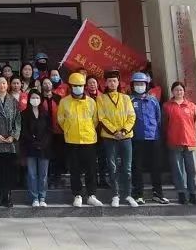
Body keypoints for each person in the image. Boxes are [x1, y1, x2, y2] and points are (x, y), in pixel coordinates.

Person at [57, 72, 102, 207]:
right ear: (71, 87)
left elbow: (95, 120)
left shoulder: (91, 102)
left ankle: (91, 195)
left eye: (80, 86)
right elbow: (61, 120)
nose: (78, 88)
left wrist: (87, 130)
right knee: (74, 170)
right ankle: (77, 195)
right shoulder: (64, 102)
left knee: (91, 170)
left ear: (84, 86)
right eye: (75, 86)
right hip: (72, 140)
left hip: (89, 140)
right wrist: (69, 129)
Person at [97, 69, 137, 208]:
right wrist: (114, 132)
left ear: (118, 82)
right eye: (109, 81)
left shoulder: (125, 98)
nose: (112, 83)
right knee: (112, 167)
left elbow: (132, 116)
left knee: (127, 168)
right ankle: (115, 195)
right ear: (106, 83)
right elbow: (102, 118)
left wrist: (124, 130)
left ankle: (128, 194)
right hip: (110, 137)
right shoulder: (101, 98)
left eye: (114, 81)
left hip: (126, 137)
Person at [130, 72, 169, 205]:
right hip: (137, 138)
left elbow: (158, 118)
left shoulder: (153, 100)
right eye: (136, 84)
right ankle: (138, 194)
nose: (139, 86)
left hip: (154, 137)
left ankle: (158, 193)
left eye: (142, 84)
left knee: (156, 166)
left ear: (146, 85)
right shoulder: (130, 100)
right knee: (137, 167)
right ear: (132, 85)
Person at [0, 75, 21, 208]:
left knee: (9, 170)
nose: (2, 85)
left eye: (4, 83)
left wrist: (13, 136)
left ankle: (8, 196)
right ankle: (1, 195)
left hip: (10, 141)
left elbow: (18, 121)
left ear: (7, 85)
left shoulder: (14, 101)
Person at [164, 81, 196, 205]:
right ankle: (181, 194)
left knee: (191, 170)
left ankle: (193, 194)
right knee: (178, 170)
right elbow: (164, 124)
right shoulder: (167, 106)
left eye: (181, 90)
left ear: (184, 91)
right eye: (176, 90)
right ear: (172, 91)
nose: (179, 92)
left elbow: (194, 123)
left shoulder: (191, 106)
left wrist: (190, 134)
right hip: (174, 141)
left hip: (189, 142)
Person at [21, 89, 52, 207]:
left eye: (37, 98)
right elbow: (24, 131)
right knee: (32, 174)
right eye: (33, 98)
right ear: (29, 99)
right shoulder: (24, 114)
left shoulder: (45, 113)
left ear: (41, 99)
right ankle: (34, 198)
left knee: (43, 174)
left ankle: (42, 197)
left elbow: (49, 131)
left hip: (44, 148)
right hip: (30, 147)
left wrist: (43, 143)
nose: (35, 100)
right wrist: (33, 141)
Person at [40, 77, 65, 188]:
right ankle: (47, 179)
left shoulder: (59, 98)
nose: (47, 85)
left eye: (49, 83)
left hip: (58, 132)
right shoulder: (39, 99)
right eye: (44, 83)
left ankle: (57, 179)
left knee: (59, 156)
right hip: (44, 133)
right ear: (42, 86)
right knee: (47, 157)